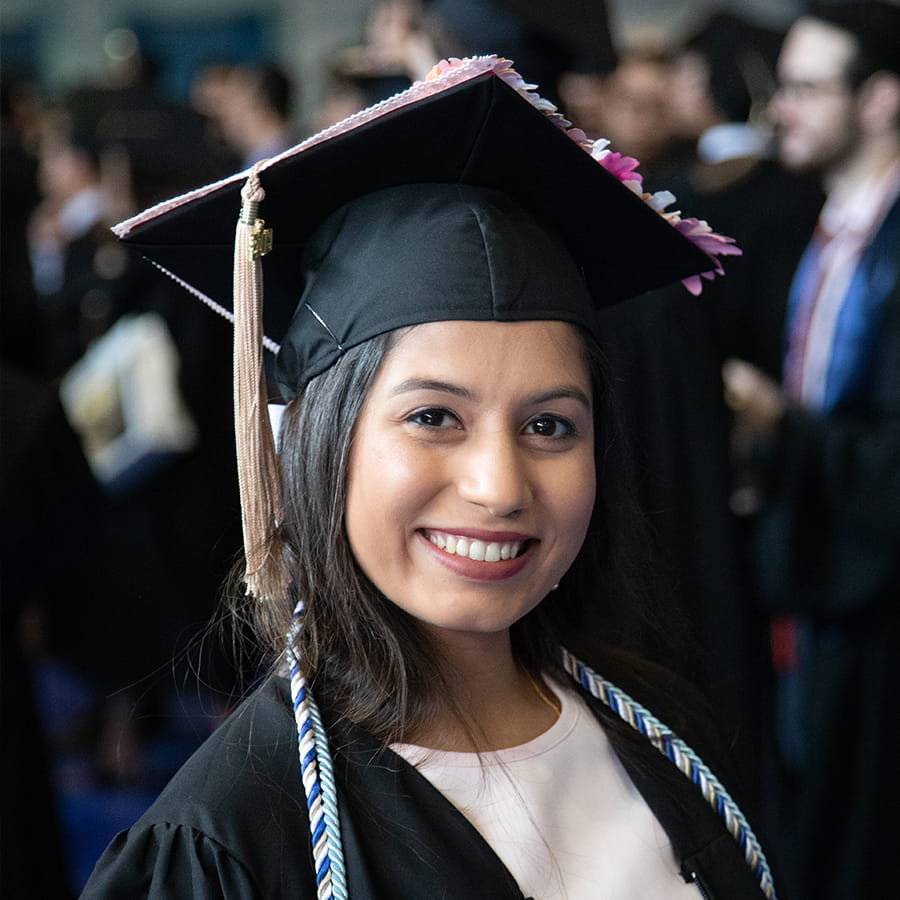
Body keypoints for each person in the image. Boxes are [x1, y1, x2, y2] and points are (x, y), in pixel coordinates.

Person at [80, 56, 773, 899]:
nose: (499, 485)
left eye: (549, 425)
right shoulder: (231, 843)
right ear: (307, 437)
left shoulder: (671, 738)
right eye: (433, 417)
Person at [721, 4, 900, 898]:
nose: (778, 108)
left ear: (880, 99)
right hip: (813, 595)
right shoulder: (827, 229)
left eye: (804, 88)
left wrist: (777, 424)